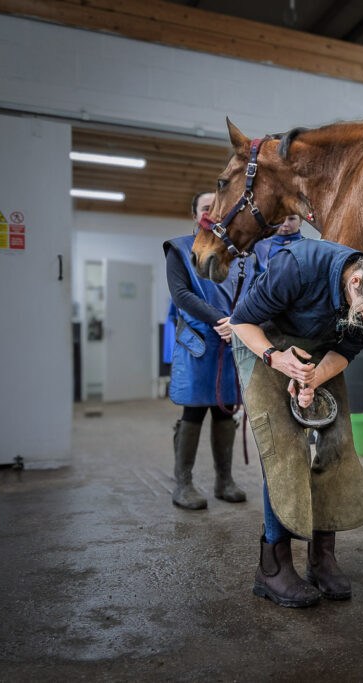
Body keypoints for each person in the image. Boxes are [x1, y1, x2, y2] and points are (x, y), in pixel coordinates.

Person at [229, 239, 363, 608]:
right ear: (355, 283)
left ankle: (322, 557)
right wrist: (278, 360)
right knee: (286, 449)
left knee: (337, 442)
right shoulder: (297, 267)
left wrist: (312, 380)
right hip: (262, 340)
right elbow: (241, 322)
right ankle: (273, 567)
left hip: (319, 348)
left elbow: (345, 350)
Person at [162, 191, 247, 510]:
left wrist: (237, 324)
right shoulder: (179, 249)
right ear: (194, 213)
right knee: (194, 410)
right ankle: (183, 484)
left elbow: (248, 290)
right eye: (205, 208)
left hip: (230, 339)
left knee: (226, 409)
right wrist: (221, 320)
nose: (211, 212)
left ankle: (224, 481)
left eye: (216, 207)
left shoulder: (237, 252)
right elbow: (181, 295)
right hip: (199, 341)